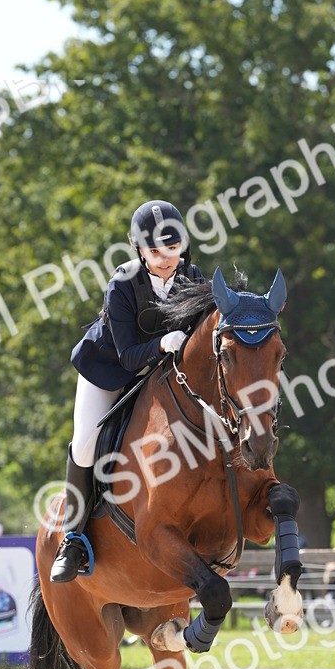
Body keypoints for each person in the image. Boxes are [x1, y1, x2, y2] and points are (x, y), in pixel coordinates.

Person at [50, 200, 206, 583]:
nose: (166, 258)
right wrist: (163, 344)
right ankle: (73, 539)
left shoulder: (193, 278)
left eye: (173, 248)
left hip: (159, 374)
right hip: (109, 370)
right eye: (155, 251)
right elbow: (128, 355)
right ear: (139, 250)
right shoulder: (122, 284)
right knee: (86, 445)